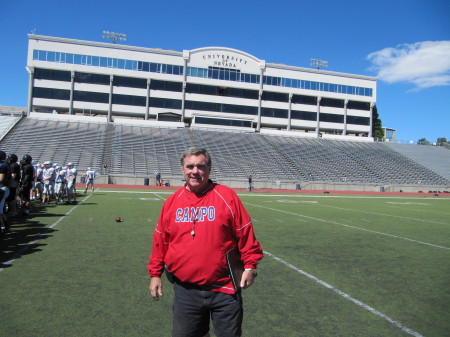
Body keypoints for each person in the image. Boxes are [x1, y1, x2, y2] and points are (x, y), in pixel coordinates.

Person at [148, 147, 263, 337]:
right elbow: (160, 241)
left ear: (209, 169)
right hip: (186, 290)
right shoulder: (171, 202)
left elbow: (245, 233)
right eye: (190, 166)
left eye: (200, 166)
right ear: (183, 169)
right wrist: (155, 274)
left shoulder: (227, 196)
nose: (195, 171)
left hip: (225, 290)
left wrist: (250, 267)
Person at [0, 150, 11, 234]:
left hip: (2, 188)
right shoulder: (5, 165)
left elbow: (1, 179)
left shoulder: (2, 166)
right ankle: (6, 226)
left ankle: (4, 226)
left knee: (0, 211)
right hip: (5, 188)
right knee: (1, 210)